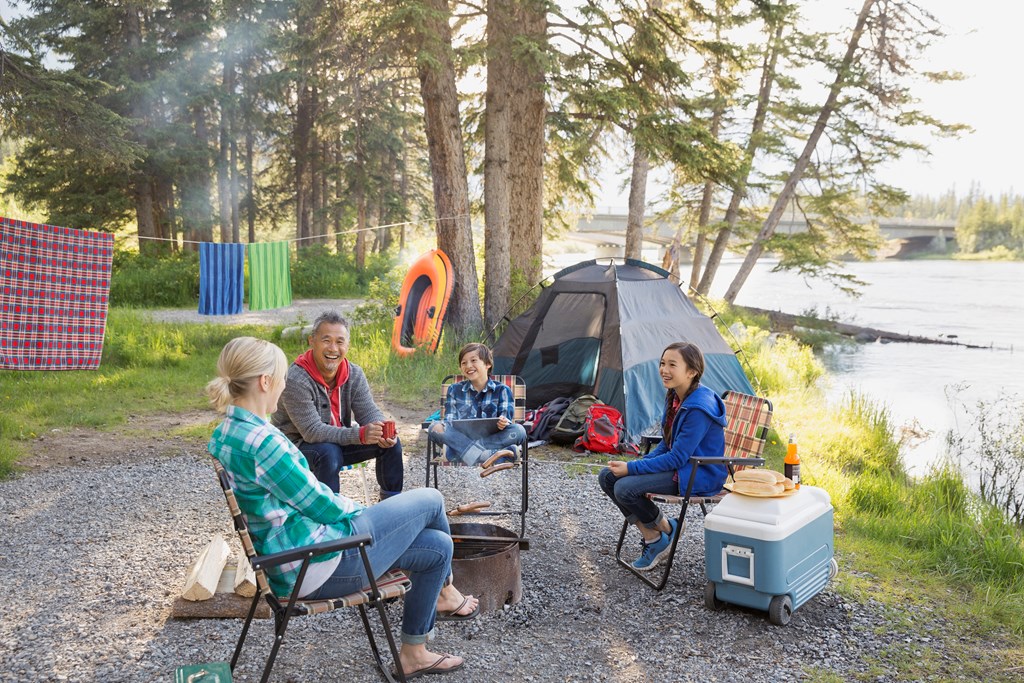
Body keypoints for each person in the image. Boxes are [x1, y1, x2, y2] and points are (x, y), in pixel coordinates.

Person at [207, 336, 477, 678]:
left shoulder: (227, 432)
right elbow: (322, 506)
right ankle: (447, 591)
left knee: (438, 547)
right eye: (281, 379)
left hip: (291, 558)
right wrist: (364, 513)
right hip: (317, 565)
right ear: (264, 382)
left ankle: (415, 651)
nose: (283, 386)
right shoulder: (265, 443)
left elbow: (306, 500)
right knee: (431, 499)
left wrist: (366, 515)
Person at [598, 341, 727, 572]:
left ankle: (662, 535)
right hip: (681, 468)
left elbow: (677, 457)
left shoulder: (698, 408)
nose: (664, 370)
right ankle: (659, 535)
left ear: (692, 371)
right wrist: (637, 463)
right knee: (607, 477)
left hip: (698, 473)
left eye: (672, 365)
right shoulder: (675, 397)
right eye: (662, 363)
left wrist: (631, 470)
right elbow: (666, 445)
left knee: (624, 488)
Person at [272, 311, 403, 498]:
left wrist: (382, 429)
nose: (333, 348)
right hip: (296, 447)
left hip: (336, 442)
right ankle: (328, 517)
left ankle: (393, 506)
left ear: (347, 345)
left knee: (391, 444)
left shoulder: (354, 374)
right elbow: (313, 431)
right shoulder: (296, 379)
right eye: (326, 340)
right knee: (329, 452)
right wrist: (360, 434)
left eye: (340, 342)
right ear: (312, 341)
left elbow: (368, 412)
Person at [427, 342, 528, 477]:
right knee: (435, 427)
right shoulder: (454, 389)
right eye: (464, 363)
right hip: (461, 437)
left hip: (491, 438)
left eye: (473, 360)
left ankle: (461, 453)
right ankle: (491, 455)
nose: (468, 366)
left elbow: (506, 420)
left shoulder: (503, 390)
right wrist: (449, 429)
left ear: (488, 364)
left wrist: (503, 422)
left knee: (519, 431)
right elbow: (449, 421)